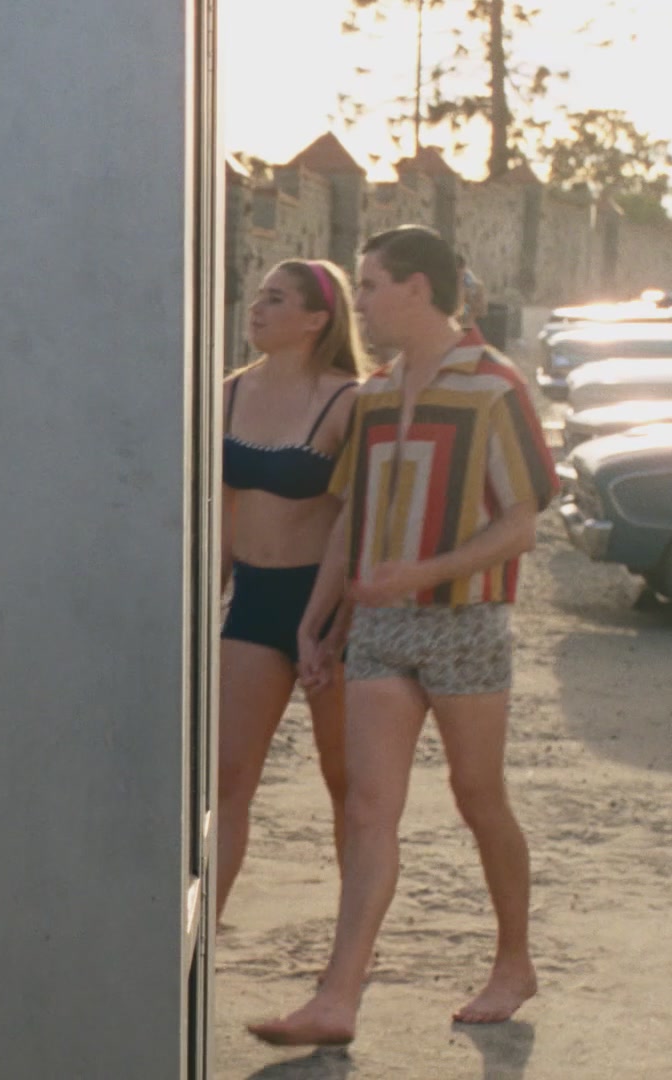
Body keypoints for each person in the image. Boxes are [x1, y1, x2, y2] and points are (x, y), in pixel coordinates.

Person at [247, 225, 557, 1047]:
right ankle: (336, 999)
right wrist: (317, 623)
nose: (363, 302)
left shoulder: (495, 387)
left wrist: (416, 575)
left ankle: (514, 962)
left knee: (477, 796)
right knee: (367, 809)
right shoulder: (376, 394)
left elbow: (522, 525)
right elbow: (352, 517)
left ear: (418, 289)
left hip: (467, 624)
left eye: (372, 285)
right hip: (380, 628)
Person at [216, 259, 365, 923]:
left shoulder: (348, 400)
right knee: (227, 780)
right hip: (254, 600)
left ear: (316, 319)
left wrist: (336, 622)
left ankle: (353, 942)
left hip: (331, 608)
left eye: (276, 299)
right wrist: (206, 600)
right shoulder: (225, 393)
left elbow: (360, 519)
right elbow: (222, 509)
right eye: (258, 296)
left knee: (346, 783)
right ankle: (201, 942)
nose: (257, 308)